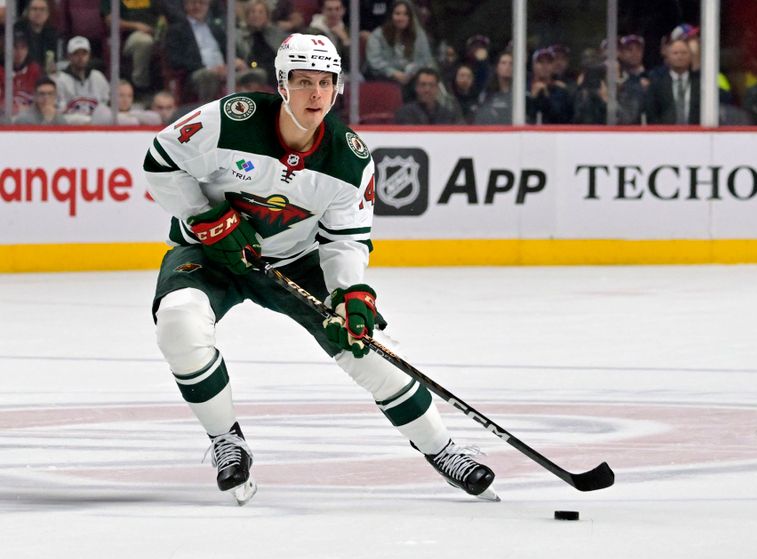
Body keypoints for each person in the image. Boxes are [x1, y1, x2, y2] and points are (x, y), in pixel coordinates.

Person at [142, 33, 497, 505]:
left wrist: (351, 293)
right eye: (303, 81)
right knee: (179, 325)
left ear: (338, 89)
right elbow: (160, 162)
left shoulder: (349, 159)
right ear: (282, 84)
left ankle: (443, 449)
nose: (315, 94)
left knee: (367, 347)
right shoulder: (229, 120)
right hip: (211, 254)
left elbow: (346, 238)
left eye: (325, 83)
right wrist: (206, 219)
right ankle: (227, 441)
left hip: (297, 262)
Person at [165, 0, 243, 104]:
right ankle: (208, 114)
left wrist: (235, 61)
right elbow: (175, 60)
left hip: (224, 69)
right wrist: (209, 69)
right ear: (186, 5)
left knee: (255, 74)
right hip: (197, 73)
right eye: (193, 3)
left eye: (201, 3)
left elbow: (231, 49)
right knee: (207, 76)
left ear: (207, 5)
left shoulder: (216, 27)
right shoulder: (176, 30)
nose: (197, 6)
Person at [364, 0, 435, 99]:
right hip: (385, 77)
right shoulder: (378, 35)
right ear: (391, 16)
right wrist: (394, 73)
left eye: (405, 14)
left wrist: (411, 71)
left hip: (411, 78)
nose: (401, 18)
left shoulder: (419, 34)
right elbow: (374, 62)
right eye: (397, 14)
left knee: (425, 83)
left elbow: (425, 59)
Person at [101, 0, 164, 94]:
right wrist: (136, 26)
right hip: (129, 36)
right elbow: (110, 21)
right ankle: (140, 86)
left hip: (156, 33)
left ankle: (167, 89)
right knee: (144, 41)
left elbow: (163, 13)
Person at [54, 35, 112, 125]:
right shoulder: (60, 80)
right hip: (71, 128)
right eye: (76, 53)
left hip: (97, 128)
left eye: (84, 53)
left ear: (89, 55)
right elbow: (60, 112)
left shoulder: (98, 77)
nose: (80, 57)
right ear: (69, 56)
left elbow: (106, 105)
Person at [644, 38, 699, 125]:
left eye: (684, 53)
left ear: (690, 56)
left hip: (697, 134)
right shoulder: (657, 83)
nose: (679, 56)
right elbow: (651, 113)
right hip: (664, 135)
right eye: (675, 53)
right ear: (668, 56)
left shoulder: (700, 82)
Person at [236, 0, 286, 89]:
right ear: (247, 16)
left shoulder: (275, 33)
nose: (256, 15)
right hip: (252, 70)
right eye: (252, 12)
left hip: (275, 68)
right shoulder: (238, 35)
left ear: (267, 16)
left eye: (260, 12)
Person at [394, 67, 462, 125]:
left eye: (431, 85)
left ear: (437, 88)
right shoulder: (405, 113)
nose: (427, 89)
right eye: (423, 85)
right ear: (416, 87)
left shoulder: (448, 115)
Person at [0, 31, 42, 118]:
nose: (19, 52)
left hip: (29, 118)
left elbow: (42, 99)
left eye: (23, 47)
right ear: (5, 48)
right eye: (15, 47)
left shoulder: (34, 70)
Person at [525, 47, 572, 124]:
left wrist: (546, 96)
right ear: (533, 65)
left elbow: (561, 118)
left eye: (549, 62)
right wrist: (532, 98)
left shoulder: (560, 91)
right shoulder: (524, 89)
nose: (545, 66)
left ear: (553, 66)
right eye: (540, 62)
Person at [307, 0, 351, 73]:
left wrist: (345, 39)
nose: (333, 13)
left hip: (343, 73)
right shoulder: (312, 33)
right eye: (329, 9)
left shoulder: (347, 31)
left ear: (343, 11)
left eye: (337, 9)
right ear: (323, 11)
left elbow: (354, 64)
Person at [13, 0, 58, 70]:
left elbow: (53, 59)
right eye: (34, 9)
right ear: (27, 12)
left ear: (48, 14)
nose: (38, 13)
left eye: (42, 9)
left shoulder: (51, 33)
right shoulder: (17, 30)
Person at [473, 50, 512, 125]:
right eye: (503, 63)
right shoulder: (487, 94)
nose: (508, 66)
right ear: (497, 67)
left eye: (511, 63)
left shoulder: (520, 95)